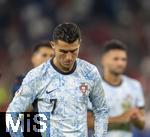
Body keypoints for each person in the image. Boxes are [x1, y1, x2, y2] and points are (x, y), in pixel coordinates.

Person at [6, 23, 108, 137]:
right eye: (63, 51)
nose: (69, 57)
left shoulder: (90, 72)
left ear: (80, 44)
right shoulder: (37, 76)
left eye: (74, 50)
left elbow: (101, 110)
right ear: (53, 46)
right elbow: (12, 113)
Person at [88, 40, 145, 137]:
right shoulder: (93, 87)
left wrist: (136, 118)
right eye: (116, 59)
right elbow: (87, 122)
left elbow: (142, 125)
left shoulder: (135, 86)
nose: (120, 63)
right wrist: (119, 119)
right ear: (103, 60)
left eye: (124, 59)